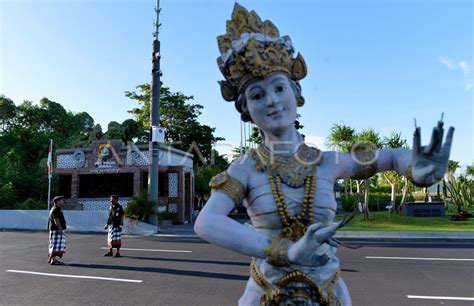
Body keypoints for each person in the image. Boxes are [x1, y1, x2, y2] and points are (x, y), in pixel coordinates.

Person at [194, 4, 454, 305]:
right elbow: (207, 222)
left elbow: (391, 157)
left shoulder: (327, 163)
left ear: (296, 93)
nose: (272, 101)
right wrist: (285, 252)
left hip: (328, 293)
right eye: (257, 95)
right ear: (246, 110)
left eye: (279, 88)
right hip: (266, 295)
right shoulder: (246, 169)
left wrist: (416, 169)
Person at [48, 195, 67, 265]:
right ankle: (53, 260)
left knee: (53, 244)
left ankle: (51, 258)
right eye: (61, 200)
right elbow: (56, 220)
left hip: (54, 229)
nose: (63, 201)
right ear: (57, 201)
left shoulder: (55, 208)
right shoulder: (56, 209)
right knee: (56, 245)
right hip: (56, 230)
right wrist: (60, 229)